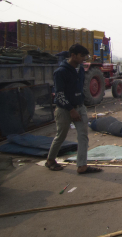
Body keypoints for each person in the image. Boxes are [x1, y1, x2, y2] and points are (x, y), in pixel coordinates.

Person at [46, 44, 102, 174]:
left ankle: (82, 165)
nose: (84, 59)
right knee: (61, 136)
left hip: (79, 107)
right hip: (64, 110)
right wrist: (71, 110)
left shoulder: (80, 69)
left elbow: (80, 88)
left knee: (83, 136)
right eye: (82, 56)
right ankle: (50, 160)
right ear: (73, 55)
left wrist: (80, 106)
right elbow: (59, 95)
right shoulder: (61, 72)